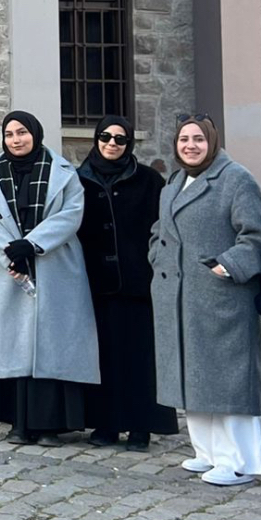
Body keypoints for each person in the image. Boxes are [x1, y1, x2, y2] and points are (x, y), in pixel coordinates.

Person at [151, 115, 261, 486]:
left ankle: (239, 461)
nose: (190, 145)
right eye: (184, 139)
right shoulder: (174, 182)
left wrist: (227, 266)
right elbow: (160, 231)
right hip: (179, 298)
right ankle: (207, 452)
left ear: (212, 141)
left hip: (221, 297)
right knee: (192, 378)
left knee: (227, 382)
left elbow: (256, 237)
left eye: (198, 139)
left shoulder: (235, 179)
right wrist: (157, 255)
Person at [0, 110, 99, 444]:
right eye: (10, 134)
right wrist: (11, 252)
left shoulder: (64, 173)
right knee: (14, 346)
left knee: (52, 348)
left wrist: (32, 244)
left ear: (36, 133)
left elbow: (71, 214)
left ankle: (50, 424)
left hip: (53, 265)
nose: (16, 140)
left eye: (22, 133)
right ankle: (18, 422)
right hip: (8, 270)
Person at [77, 114, 177, 449]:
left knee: (139, 358)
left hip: (138, 283)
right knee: (103, 356)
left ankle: (140, 426)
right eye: (105, 137)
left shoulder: (149, 180)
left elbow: (163, 228)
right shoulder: (79, 179)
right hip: (95, 283)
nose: (111, 144)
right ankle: (105, 424)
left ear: (129, 143)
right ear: (96, 139)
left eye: (120, 139)